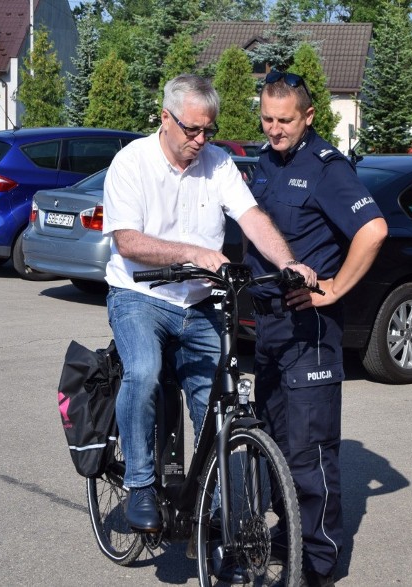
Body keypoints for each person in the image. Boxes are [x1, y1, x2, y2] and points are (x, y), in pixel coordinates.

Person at [102, 74, 316, 533]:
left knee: (215, 401)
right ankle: (140, 485)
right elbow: (127, 240)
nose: (200, 140)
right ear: (165, 117)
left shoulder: (218, 164)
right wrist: (193, 252)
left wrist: (290, 262)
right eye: (192, 130)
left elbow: (252, 217)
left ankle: (217, 521)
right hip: (139, 296)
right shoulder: (131, 162)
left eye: (208, 131)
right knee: (141, 372)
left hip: (199, 304)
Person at [244, 70, 388, 586]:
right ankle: (288, 538)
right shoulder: (263, 162)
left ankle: (319, 566)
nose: (274, 129)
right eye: (266, 118)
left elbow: (373, 230)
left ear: (308, 116)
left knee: (311, 453)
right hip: (269, 329)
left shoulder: (328, 168)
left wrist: (335, 288)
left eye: (284, 120)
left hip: (311, 332)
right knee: (276, 444)